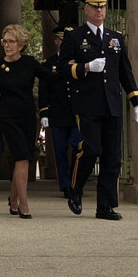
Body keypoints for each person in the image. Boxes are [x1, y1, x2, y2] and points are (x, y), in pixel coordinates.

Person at [60, 0, 138, 221]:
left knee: (112, 156)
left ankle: (105, 205)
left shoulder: (115, 37)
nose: (99, 10)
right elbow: (62, 69)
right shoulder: (74, 36)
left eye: (103, 6)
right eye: (94, 6)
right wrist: (85, 67)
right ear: (85, 9)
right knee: (91, 148)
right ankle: (75, 190)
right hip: (87, 104)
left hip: (112, 104)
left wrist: (135, 100)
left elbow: (124, 72)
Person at [0, 25, 52, 219]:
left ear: (21, 44)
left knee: (24, 159)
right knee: (21, 157)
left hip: (28, 116)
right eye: (4, 41)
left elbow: (50, 76)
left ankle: (13, 200)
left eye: (11, 41)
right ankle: (24, 204)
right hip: (8, 116)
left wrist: (74, 68)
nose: (6, 45)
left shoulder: (30, 63)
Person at [38, 25, 81, 198]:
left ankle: (76, 181)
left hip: (77, 113)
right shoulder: (49, 64)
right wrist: (44, 112)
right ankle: (65, 184)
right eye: (62, 40)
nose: (64, 43)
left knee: (78, 147)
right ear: (56, 41)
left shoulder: (79, 62)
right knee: (60, 150)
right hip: (57, 113)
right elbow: (44, 89)